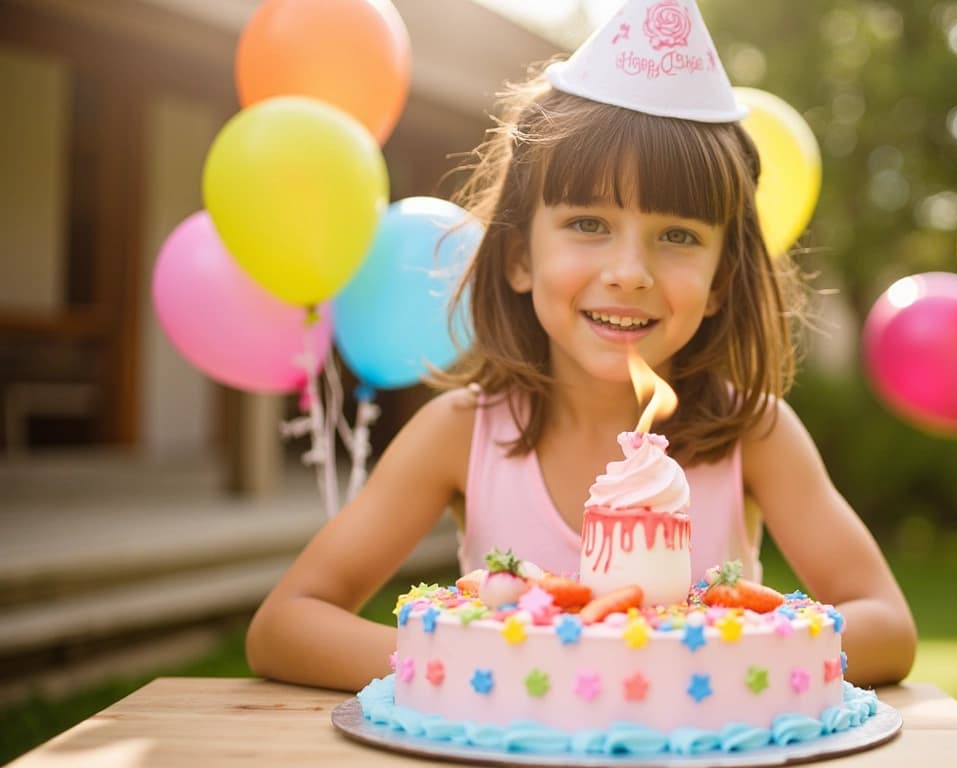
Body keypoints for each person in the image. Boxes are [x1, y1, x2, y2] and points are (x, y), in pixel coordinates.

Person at [246, 0, 916, 693]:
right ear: (518, 257)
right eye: (588, 222)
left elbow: (887, 628)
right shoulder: (461, 432)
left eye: (679, 235)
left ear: (722, 281)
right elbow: (286, 625)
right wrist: (490, 668)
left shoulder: (756, 433)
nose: (629, 270)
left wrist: (705, 667)